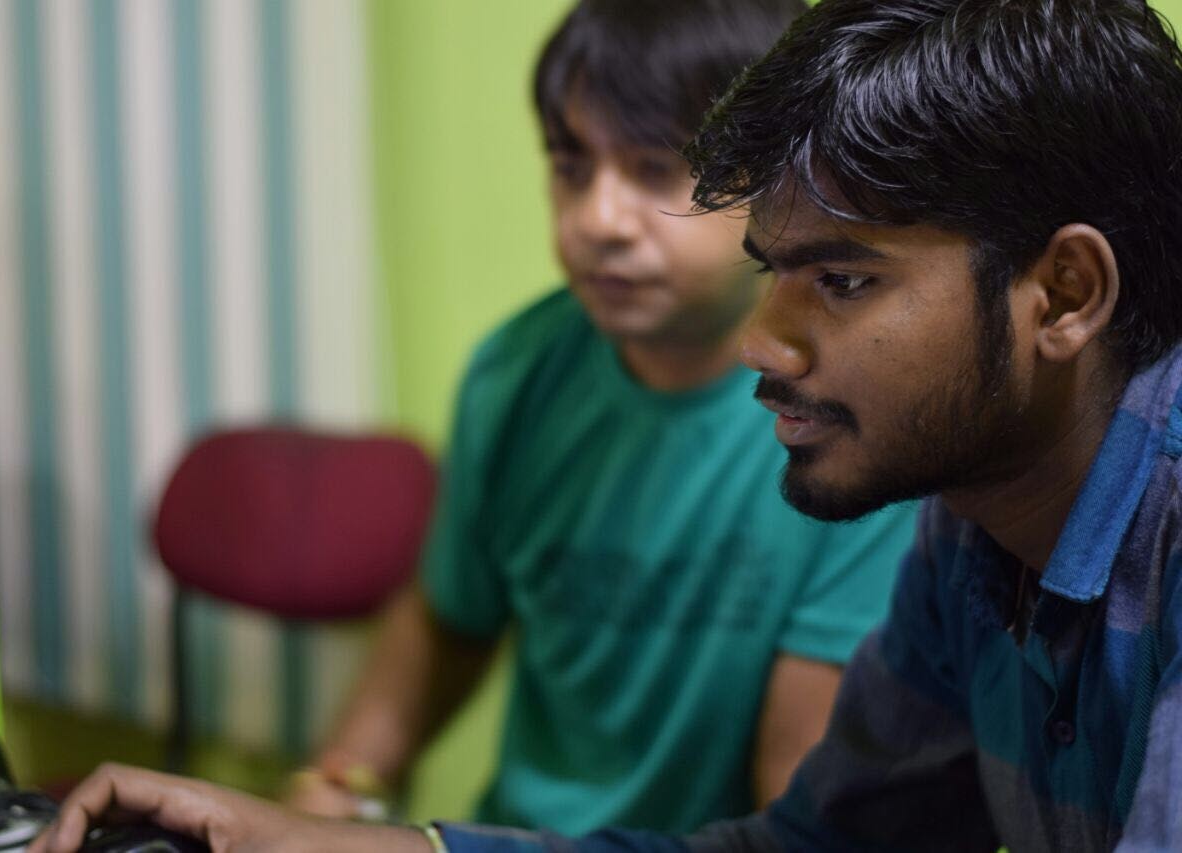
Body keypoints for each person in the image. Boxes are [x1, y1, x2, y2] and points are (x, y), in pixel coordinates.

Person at [30, 0, 1182, 849]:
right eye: (770, 273)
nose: (760, 345)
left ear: (1064, 294)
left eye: (839, 281)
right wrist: (332, 837)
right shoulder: (968, 525)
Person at [283, 0, 914, 836]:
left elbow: (799, 807)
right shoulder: (517, 372)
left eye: (657, 169)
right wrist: (335, 794)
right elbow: (446, 619)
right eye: (572, 167)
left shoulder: (848, 416)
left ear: (784, 175)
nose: (597, 219)